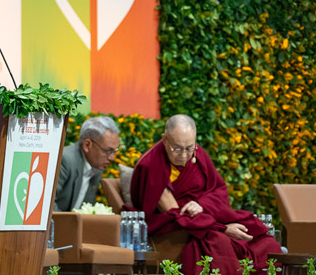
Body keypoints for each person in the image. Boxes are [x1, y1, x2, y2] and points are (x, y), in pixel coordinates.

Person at [130, 114, 281, 275]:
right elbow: (176, 216)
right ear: (164, 139)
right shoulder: (152, 166)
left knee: (266, 242)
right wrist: (223, 228)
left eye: (189, 147)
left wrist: (202, 204)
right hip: (181, 228)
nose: (183, 155)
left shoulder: (199, 154)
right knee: (218, 243)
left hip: (205, 220)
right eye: (177, 148)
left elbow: (219, 191)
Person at [54, 116, 121, 211]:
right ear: (87, 145)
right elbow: (48, 206)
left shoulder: (96, 166)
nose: (112, 157)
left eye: (115, 150)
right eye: (108, 151)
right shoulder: (65, 160)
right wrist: (68, 225)